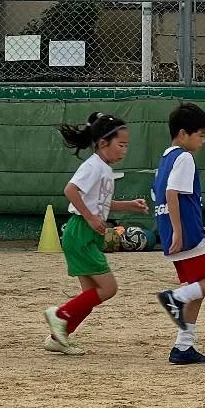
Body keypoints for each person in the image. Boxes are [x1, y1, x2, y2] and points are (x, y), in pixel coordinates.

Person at [42, 111, 148, 356]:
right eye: (121, 145)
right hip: (80, 232)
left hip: (84, 234)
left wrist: (129, 204)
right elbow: (70, 190)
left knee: (90, 295)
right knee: (108, 289)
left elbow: (99, 203)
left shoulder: (103, 168)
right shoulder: (93, 167)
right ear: (103, 143)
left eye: (126, 145)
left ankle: (59, 337)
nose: (124, 150)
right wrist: (90, 218)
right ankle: (60, 315)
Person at [153, 102, 205, 365]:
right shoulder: (184, 158)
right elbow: (172, 194)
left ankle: (183, 347)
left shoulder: (165, 159)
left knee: (198, 288)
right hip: (187, 237)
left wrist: (173, 231)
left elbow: (160, 196)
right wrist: (182, 230)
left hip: (176, 235)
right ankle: (175, 298)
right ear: (183, 133)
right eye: (200, 135)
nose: (203, 141)